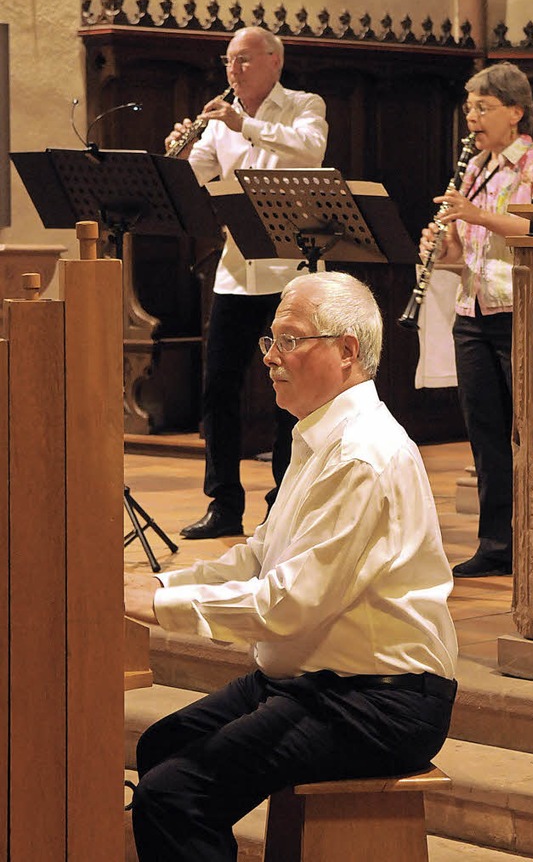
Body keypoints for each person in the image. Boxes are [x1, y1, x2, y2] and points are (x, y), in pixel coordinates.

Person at [125, 270, 458, 862]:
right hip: (314, 680)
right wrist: (157, 583)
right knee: (164, 745)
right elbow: (259, 557)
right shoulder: (317, 436)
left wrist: (155, 606)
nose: (272, 358)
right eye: (270, 343)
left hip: (379, 700)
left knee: (175, 795)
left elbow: (288, 605)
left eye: (290, 341)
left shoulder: (362, 454)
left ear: (347, 351)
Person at [167, 26, 329, 540]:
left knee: (291, 387)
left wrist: (248, 125)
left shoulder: (306, 105)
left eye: (243, 60)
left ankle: (283, 504)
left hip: (291, 270)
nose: (232, 70)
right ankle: (223, 504)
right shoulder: (218, 119)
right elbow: (195, 180)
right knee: (218, 386)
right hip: (237, 270)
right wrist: (175, 156)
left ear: (274, 62)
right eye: (228, 61)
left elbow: (309, 151)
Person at [420, 61, 533, 578]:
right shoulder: (476, 166)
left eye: (482, 107)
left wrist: (478, 214)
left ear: (516, 110)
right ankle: (496, 544)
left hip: (522, 311)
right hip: (474, 309)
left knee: (531, 430)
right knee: (484, 432)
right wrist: (444, 248)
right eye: (468, 108)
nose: (472, 118)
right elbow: (466, 256)